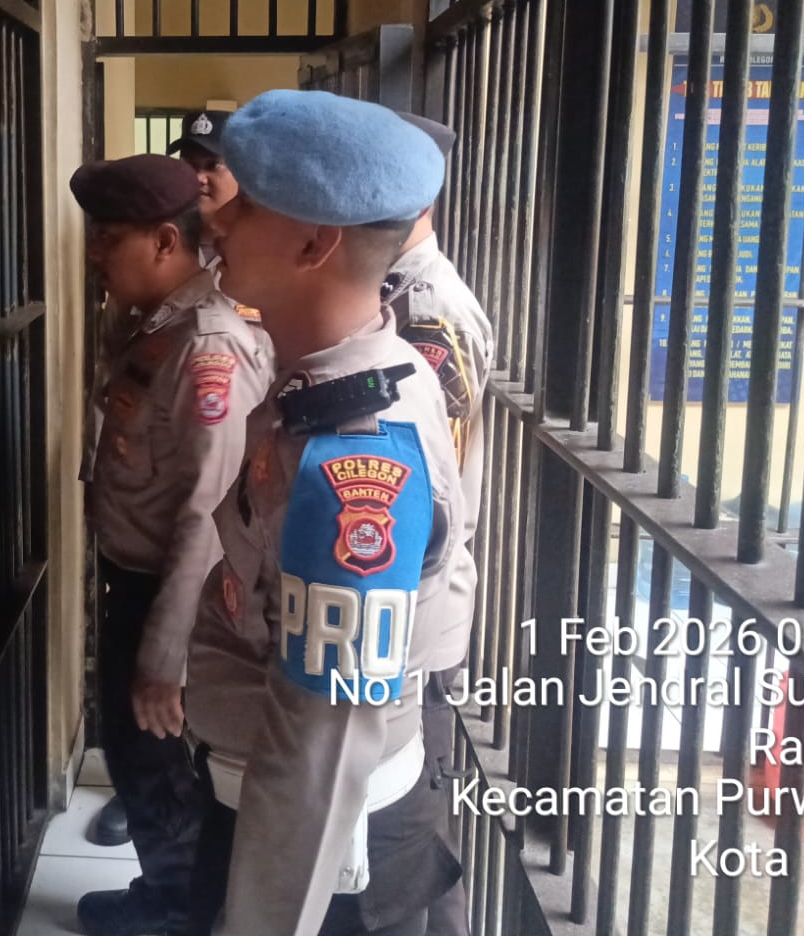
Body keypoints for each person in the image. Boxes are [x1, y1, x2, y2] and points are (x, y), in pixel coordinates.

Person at [183, 90, 465, 936]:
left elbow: (324, 744)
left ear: (314, 244)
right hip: (282, 811)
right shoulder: (336, 377)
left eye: (249, 206)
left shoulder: (356, 460)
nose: (219, 222)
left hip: (322, 858)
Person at [70, 154, 275, 936]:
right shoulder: (148, 321)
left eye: (109, 238)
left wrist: (167, 658)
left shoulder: (208, 349)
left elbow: (206, 517)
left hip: (174, 598)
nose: (95, 253)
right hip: (134, 583)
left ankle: (175, 914)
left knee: (160, 767)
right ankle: (164, 895)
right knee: (135, 756)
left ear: (164, 240)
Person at [381, 114, 494, 936]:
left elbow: (419, 482)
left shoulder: (425, 308)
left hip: (411, 610)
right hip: (392, 602)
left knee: (407, 836)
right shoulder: (394, 290)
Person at [169, 109, 237, 269]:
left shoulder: (259, 249)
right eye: (189, 165)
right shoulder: (163, 244)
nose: (199, 177)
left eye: (213, 165)